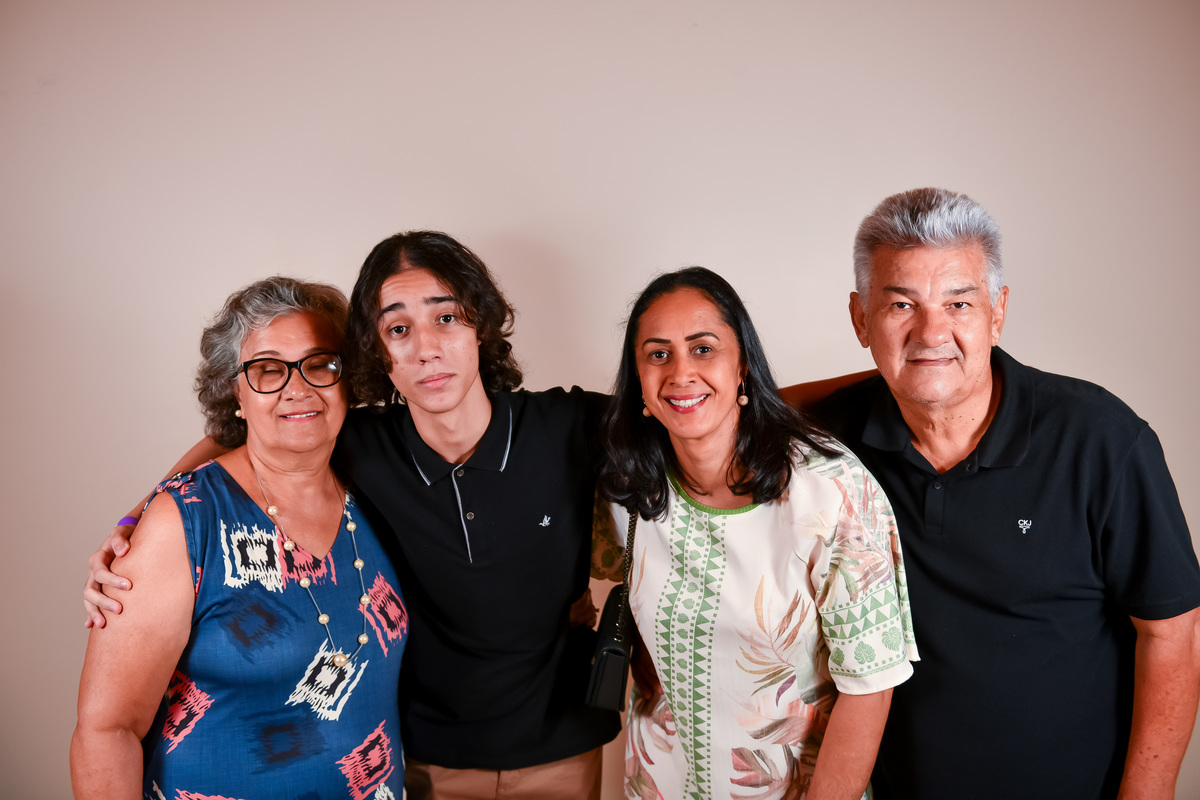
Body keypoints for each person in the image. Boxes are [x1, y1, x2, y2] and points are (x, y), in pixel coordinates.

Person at [83, 232, 621, 799]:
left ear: (480, 326)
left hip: (559, 749)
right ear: (377, 351)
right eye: (398, 329)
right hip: (427, 762)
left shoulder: (568, 426)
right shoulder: (360, 448)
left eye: (446, 318)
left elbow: (668, 426)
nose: (426, 349)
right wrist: (136, 521)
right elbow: (244, 430)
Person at [810, 187, 1200, 799]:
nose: (932, 331)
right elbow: (729, 412)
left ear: (998, 312)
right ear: (861, 319)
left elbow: (1173, 634)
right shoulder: (826, 447)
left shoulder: (1100, 440)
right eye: (901, 305)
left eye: (959, 304)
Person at [70, 277, 408, 798]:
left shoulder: (375, 487)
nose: (298, 388)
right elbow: (106, 731)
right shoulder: (185, 523)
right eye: (268, 370)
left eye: (320, 364)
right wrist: (135, 517)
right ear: (236, 391)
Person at [599, 267, 919, 799]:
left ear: (743, 365)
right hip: (661, 784)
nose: (680, 373)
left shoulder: (829, 491)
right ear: (638, 380)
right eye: (658, 354)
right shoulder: (627, 487)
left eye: (703, 349)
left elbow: (871, 687)